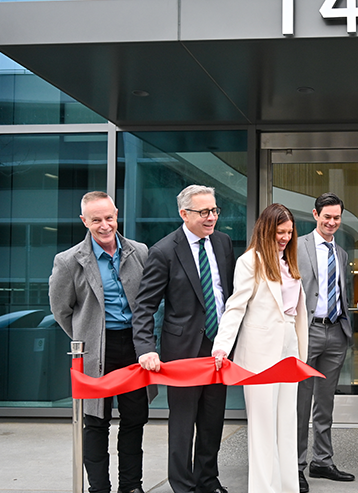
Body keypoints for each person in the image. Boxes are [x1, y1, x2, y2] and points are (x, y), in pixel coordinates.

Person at [49, 191, 155, 493]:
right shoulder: (68, 261)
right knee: (96, 422)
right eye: (96, 220)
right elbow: (61, 310)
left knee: (135, 419)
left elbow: (148, 301)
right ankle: (99, 489)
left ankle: (131, 486)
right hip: (96, 350)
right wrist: (87, 337)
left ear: (117, 214)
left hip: (134, 347)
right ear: (85, 221)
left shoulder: (139, 251)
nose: (105, 225)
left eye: (109, 217)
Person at [132, 185, 235, 493]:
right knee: (182, 423)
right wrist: (146, 348)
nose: (211, 218)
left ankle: (207, 480)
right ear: (184, 214)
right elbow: (144, 307)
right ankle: (182, 485)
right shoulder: (164, 251)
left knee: (212, 419)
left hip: (218, 349)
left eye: (214, 210)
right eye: (204, 212)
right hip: (183, 352)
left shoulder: (224, 243)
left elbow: (227, 294)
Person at [211, 203, 309, 493]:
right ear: (266, 230)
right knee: (263, 427)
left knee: (286, 423)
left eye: (290, 232)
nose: (285, 238)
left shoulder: (289, 261)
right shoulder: (249, 262)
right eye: (280, 232)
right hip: (259, 354)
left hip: (289, 352)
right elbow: (235, 306)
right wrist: (222, 347)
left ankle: (288, 486)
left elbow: (294, 312)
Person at [296, 193, 356, 492]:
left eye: (336, 217)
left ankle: (323, 460)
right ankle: (296, 465)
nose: (332, 222)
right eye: (327, 217)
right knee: (301, 402)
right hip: (307, 332)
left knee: (325, 402)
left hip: (335, 332)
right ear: (315, 214)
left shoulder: (341, 253)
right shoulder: (297, 246)